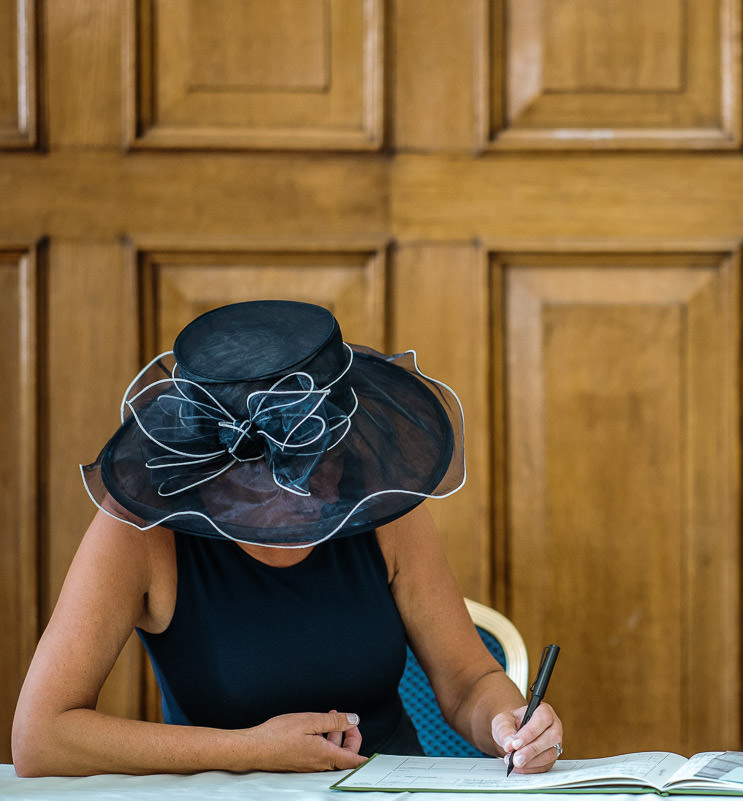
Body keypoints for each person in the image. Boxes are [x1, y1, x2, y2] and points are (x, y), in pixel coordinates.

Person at [12, 300, 563, 777]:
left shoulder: (379, 506)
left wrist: (508, 725)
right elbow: (42, 737)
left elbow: (469, 679)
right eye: (275, 482)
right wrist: (247, 750)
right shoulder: (142, 527)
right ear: (213, 468)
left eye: (325, 464)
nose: (316, 497)